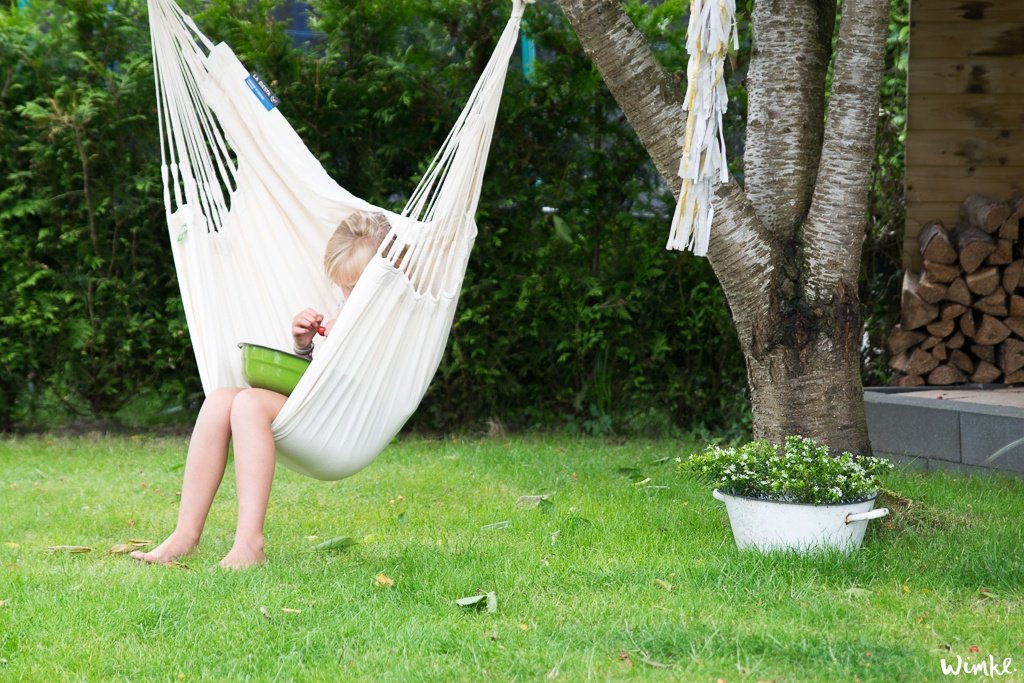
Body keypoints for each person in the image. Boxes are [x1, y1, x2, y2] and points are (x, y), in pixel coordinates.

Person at [132, 211, 391, 569]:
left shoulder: (391, 313)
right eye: (342, 287)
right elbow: (320, 373)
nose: (347, 295)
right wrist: (305, 345)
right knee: (221, 399)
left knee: (250, 404)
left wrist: (344, 334)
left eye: (354, 287)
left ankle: (250, 544)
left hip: (347, 419)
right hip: (322, 404)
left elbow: (364, 372)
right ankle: (185, 535)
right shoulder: (349, 306)